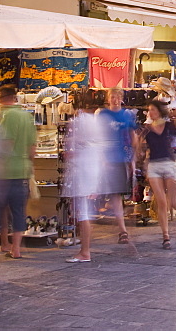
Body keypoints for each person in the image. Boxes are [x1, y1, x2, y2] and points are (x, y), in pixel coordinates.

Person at [0, 84, 35, 262]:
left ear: (0, 98)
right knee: (18, 212)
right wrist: (26, 164)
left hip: (1, 173)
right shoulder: (27, 117)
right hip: (22, 171)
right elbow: (32, 148)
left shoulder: (7, 116)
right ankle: (16, 249)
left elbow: (6, 145)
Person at [62, 89, 108, 263]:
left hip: (83, 171)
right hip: (91, 170)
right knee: (85, 212)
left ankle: (84, 251)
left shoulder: (79, 121)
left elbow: (72, 146)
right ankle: (84, 249)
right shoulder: (95, 121)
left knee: (84, 213)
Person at [139, 99, 176, 249]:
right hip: (154, 166)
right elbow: (140, 147)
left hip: (168, 163)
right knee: (161, 202)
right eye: (149, 110)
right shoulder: (146, 129)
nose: (150, 112)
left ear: (159, 111)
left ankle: (174, 204)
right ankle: (166, 235)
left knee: (171, 202)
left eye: (152, 109)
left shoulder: (168, 125)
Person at [96, 88, 137, 246]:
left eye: (117, 97)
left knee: (117, 195)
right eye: (112, 97)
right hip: (107, 159)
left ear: (121, 99)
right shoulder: (103, 115)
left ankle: (122, 229)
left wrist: (133, 157)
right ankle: (122, 230)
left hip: (123, 158)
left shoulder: (127, 115)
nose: (114, 100)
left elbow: (133, 135)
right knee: (115, 195)